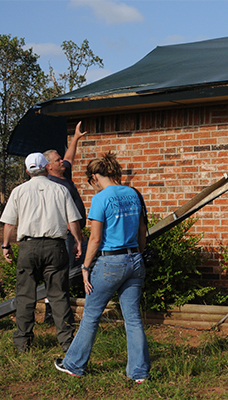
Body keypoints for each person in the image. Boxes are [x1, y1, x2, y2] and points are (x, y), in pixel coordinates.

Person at [54, 152, 150, 382]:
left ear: (95, 177)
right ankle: (139, 372)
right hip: (134, 260)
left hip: (110, 263)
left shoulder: (100, 198)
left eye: (90, 182)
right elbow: (142, 233)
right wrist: (138, 253)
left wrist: (85, 266)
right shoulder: (133, 193)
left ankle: (74, 364)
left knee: (91, 316)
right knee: (133, 318)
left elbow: (95, 239)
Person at [1, 152, 83, 352]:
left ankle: (23, 343)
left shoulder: (18, 191)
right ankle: (66, 342)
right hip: (55, 246)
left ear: (28, 170)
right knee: (58, 295)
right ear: (47, 167)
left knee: (25, 296)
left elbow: (9, 223)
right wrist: (79, 241)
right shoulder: (60, 190)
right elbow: (73, 221)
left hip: (28, 247)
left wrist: (5, 245)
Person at [43, 121, 88, 323]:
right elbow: (65, 216)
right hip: (65, 235)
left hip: (75, 233)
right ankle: (52, 312)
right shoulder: (52, 184)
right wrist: (77, 237)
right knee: (63, 273)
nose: (62, 161)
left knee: (72, 271)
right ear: (48, 167)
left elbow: (69, 157)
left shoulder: (63, 173)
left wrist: (76, 138)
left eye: (60, 159)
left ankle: (61, 310)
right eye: (57, 160)